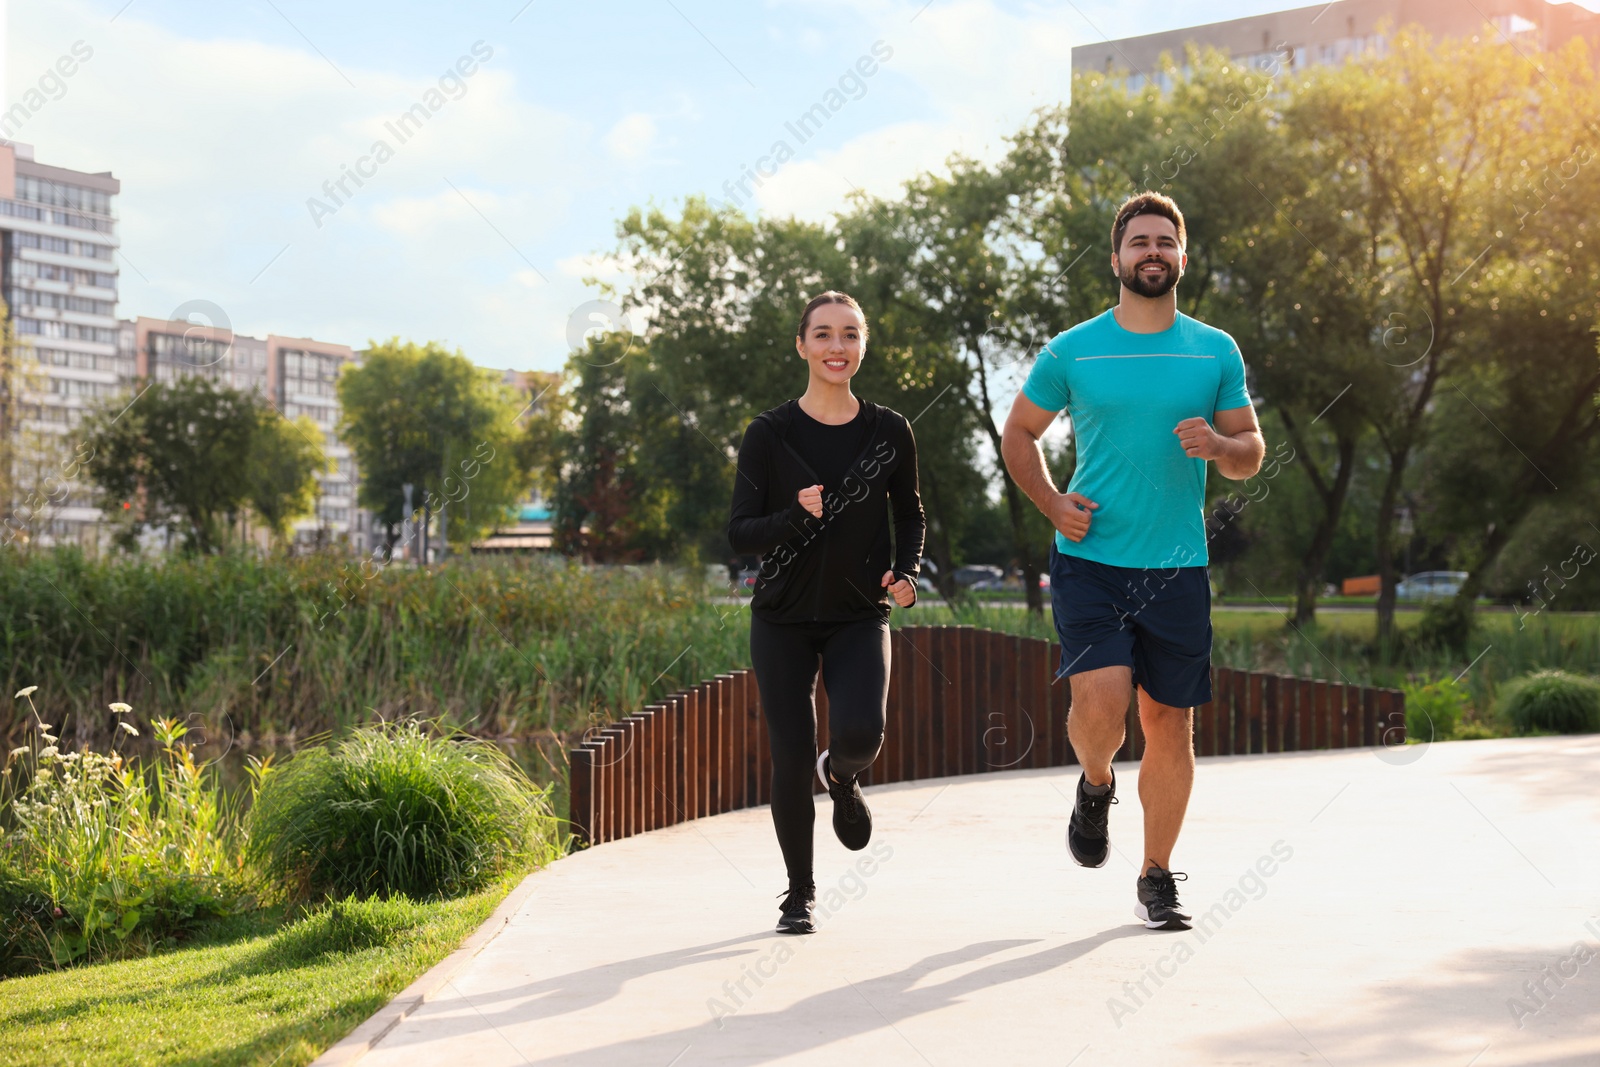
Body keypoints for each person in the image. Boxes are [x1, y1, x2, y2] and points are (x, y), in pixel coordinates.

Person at [1000, 192, 1264, 931]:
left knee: (1169, 721)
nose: (1152, 252)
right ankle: (1094, 782)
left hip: (1178, 568)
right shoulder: (1073, 349)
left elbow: (1252, 452)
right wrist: (1052, 503)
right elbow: (1019, 432)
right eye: (1138, 241)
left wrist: (1220, 446)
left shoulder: (1215, 350)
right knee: (1101, 706)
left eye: (1165, 242)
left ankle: (1156, 876)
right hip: (1091, 559)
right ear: (1116, 258)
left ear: (1182, 257)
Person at [728, 291, 925, 935]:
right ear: (802, 346)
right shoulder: (769, 433)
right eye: (823, 335)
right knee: (789, 753)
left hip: (858, 614)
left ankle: (840, 776)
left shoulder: (889, 431)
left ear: (862, 345)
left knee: (864, 732)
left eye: (848, 335)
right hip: (780, 617)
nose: (836, 347)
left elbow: (909, 515)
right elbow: (739, 533)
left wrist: (909, 571)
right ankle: (799, 894)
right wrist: (793, 515)